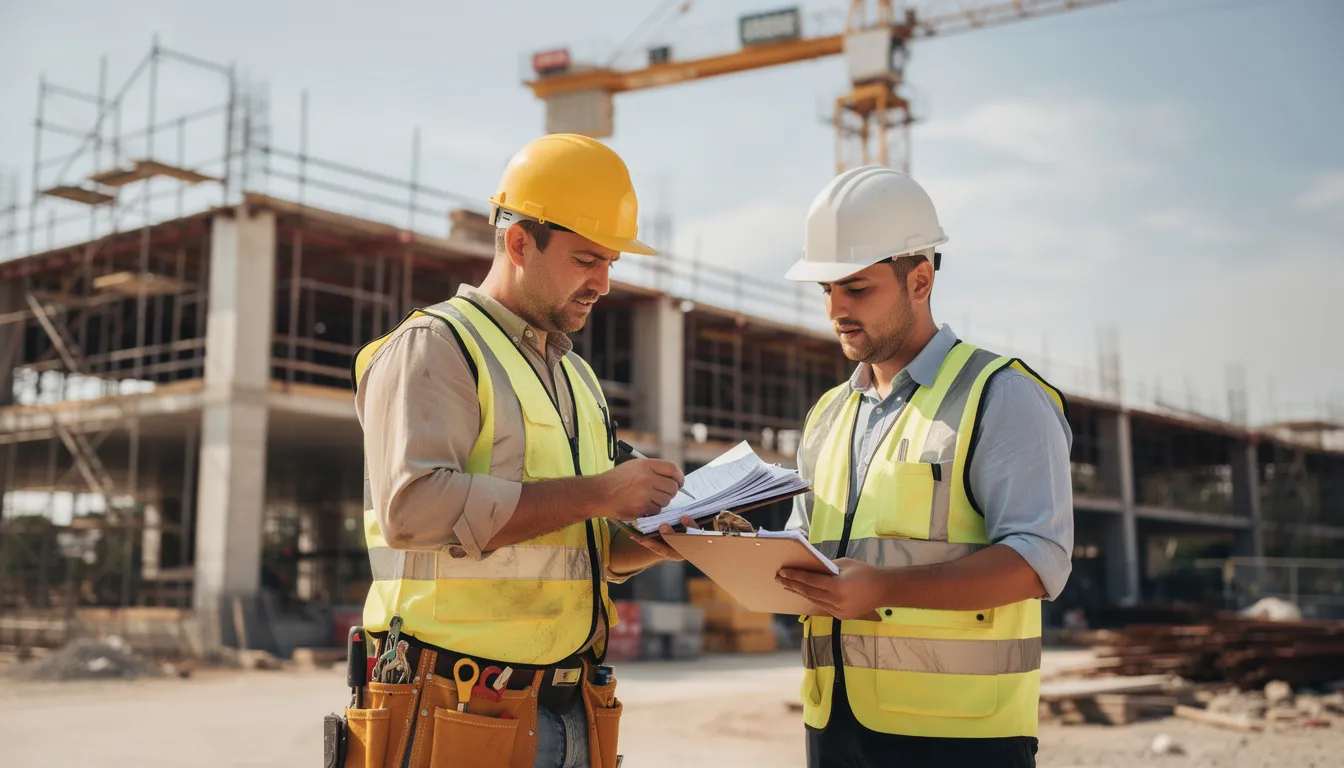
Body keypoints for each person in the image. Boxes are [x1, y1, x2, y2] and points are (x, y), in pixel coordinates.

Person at [348, 133, 689, 768]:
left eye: (611, 262)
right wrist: (605, 491)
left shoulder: (577, 378)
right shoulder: (437, 346)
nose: (604, 283)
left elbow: (572, 544)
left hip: (570, 702)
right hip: (456, 702)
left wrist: (649, 544)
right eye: (587, 259)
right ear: (518, 242)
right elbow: (412, 511)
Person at [775, 166, 1075, 768]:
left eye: (856, 288)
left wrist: (884, 589)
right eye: (826, 290)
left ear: (919, 280)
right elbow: (808, 552)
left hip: (961, 734)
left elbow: (1039, 562)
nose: (836, 310)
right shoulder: (828, 415)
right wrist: (717, 541)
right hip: (835, 720)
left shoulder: (1000, 396)